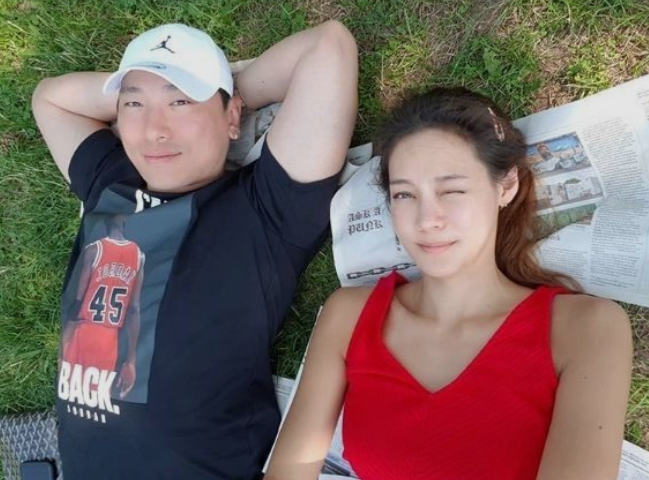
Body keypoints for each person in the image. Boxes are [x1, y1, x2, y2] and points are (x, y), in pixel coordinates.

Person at [32, 21, 357, 480]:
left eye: (181, 102)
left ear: (232, 118)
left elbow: (328, 46)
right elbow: (49, 98)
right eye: (134, 104)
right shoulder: (111, 182)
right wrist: (163, 93)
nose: (154, 131)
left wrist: (228, 91)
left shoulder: (265, 210)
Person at [264, 88, 632, 480]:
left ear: (506, 185)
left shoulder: (585, 329)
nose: (427, 220)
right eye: (405, 194)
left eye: (452, 190)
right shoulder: (350, 315)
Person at [60, 214, 145, 400]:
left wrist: (63, 344)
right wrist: (131, 361)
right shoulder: (139, 256)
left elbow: (78, 301)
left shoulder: (94, 249)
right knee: (95, 397)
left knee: (71, 391)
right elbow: (134, 309)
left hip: (84, 330)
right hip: (109, 339)